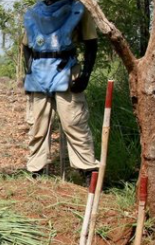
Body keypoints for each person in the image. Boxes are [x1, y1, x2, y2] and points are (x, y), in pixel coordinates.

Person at [22, 0, 99, 185]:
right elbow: (26, 45)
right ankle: (36, 171)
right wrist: (29, 71)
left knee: (74, 122)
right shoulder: (35, 12)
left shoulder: (78, 9)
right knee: (38, 124)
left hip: (66, 71)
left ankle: (88, 171)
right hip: (39, 73)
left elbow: (91, 43)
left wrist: (86, 75)